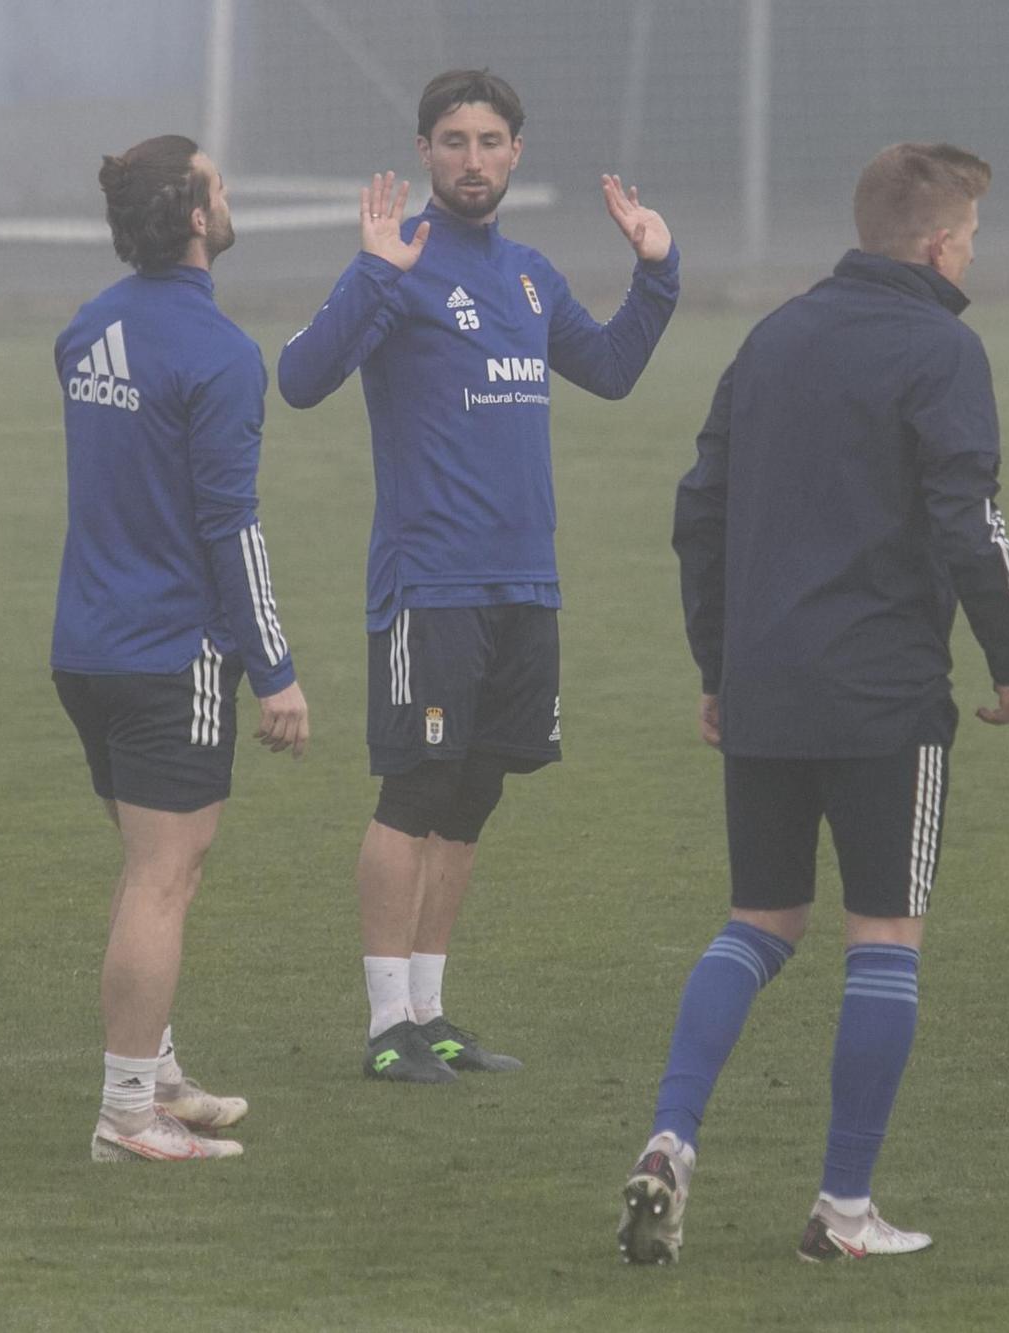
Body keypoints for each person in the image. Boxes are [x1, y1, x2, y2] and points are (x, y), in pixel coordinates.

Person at [617, 141, 1009, 1263]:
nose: (972, 255)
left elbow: (696, 511)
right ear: (940, 241)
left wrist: (717, 665)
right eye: (973, 237)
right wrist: (1008, 651)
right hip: (881, 696)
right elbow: (965, 515)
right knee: (881, 935)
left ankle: (667, 1136)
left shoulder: (771, 337)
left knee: (757, 919)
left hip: (761, 686)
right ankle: (841, 1208)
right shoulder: (942, 349)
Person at [278, 69, 680, 1084]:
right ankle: (382, 1030)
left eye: (489, 140)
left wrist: (657, 271)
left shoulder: (531, 276)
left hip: (522, 586)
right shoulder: (398, 265)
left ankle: (430, 1015)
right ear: (423, 153)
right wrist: (371, 272)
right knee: (412, 788)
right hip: (431, 584)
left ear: (514, 153)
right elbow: (298, 379)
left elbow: (611, 368)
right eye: (451, 140)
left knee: (473, 794)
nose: (471, 158)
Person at [53, 134, 310, 1162]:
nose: (230, 192)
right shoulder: (220, 354)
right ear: (195, 218)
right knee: (166, 878)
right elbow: (228, 527)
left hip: (84, 646)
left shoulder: (84, 331)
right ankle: (125, 1116)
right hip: (172, 656)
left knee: (145, 868)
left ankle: (153, 1071)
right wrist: (278, 668)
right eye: (218, 183)